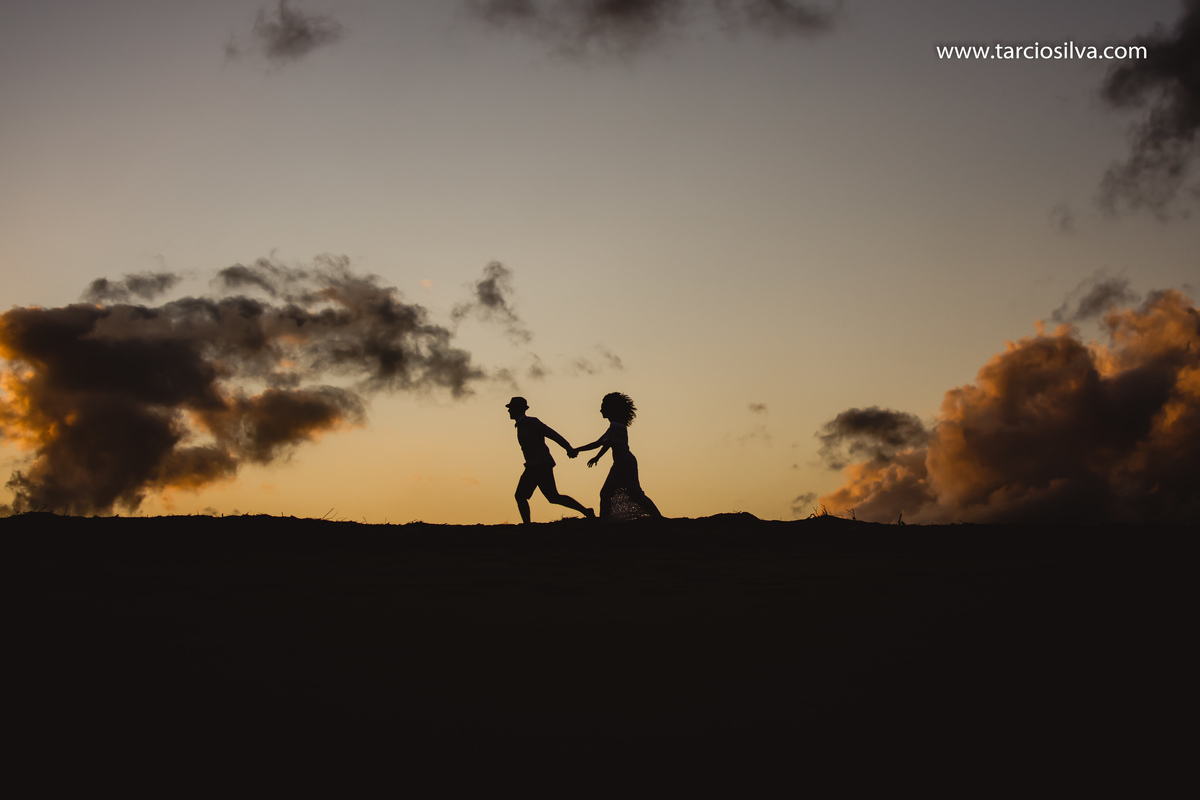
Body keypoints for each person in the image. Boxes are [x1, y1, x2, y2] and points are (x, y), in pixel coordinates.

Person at [575, 392, 663, 521]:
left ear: (611, 409)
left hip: (624, 464)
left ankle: (658, 518)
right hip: (621, 463)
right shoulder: (615, 426)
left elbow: (601, 443)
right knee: (613, 493)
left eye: (603, 407)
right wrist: (596, 457)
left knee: (633, 494)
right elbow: (606, 443)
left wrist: (579, 450)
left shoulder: (616, 426)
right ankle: (605, 519)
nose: (600, 410)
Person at [506, 396, 594, 524]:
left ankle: (527, 525)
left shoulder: (531, 422)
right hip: (535, 465)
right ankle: (586, 511)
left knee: (522, 496)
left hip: (539, 465)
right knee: (552, 497)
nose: (509, 411)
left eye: (511, 408)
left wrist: (567, 447)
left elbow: (552, 434)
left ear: (518, 409)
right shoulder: (521, 425)